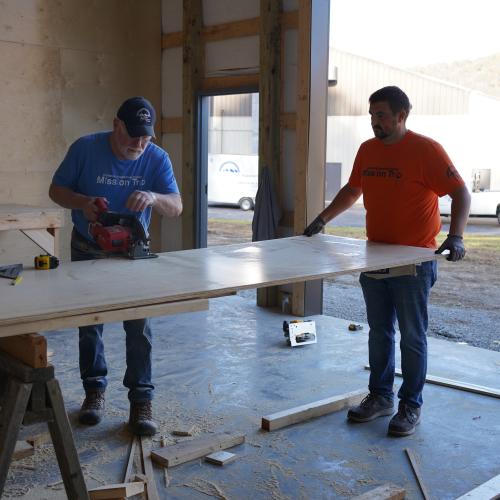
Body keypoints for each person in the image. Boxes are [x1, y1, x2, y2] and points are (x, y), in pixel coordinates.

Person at [304, 86, 470, 437]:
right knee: (379, 332)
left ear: (401, 115)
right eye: (371, 116)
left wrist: (455, 236)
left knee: (412, 336)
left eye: (381, 115)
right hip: (375, 255)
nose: (374, 122)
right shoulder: (367, 150)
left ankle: (411, 405)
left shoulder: (426, 150)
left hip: (414, 262)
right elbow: (352, 190)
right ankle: (381, 397)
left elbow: (460, 192)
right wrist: (322, 219)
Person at [49, 96, 182, 436]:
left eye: (146, 137)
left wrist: (153, 197)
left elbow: (176, 206)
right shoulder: (85, 148)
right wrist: (83, 203)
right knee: (89, 325)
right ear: (116, 125)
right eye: (132, 135)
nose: (139, 144)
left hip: (132, 254)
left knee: (139, 328)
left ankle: (141, 400)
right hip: (87, 247)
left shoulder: (156, 158)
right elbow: (56, 190)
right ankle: (94, 391)